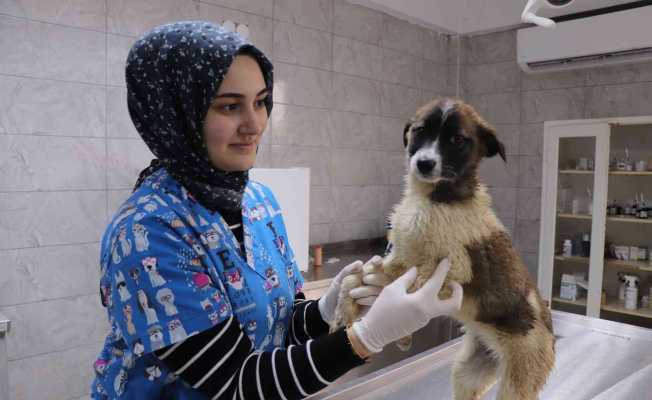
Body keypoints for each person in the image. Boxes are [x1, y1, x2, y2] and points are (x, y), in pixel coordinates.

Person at [90, 21, 463, 400]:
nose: (254, 125)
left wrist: (325, 310)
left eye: (260, 101)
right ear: (176, 113)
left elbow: (281, 326)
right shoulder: (148, 233)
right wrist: (367, 337)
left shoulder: (259, 201)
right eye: (230, 106)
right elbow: (237, 385)